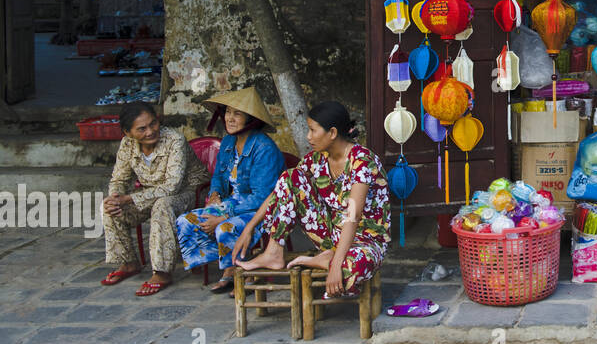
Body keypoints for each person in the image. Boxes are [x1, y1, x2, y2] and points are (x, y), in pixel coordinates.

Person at [234, 102, 390, 298]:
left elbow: (354, 215)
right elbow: (281, 191)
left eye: (312, 130)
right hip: (330, 236)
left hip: (364, 242)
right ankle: (274, 251)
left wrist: (335, 265)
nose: (308, 136)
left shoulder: (362, 161)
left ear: (332, 133)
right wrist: (249, 228)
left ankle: (329, 259)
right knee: (290, 177)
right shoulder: (316, 159)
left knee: (354, 267)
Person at [176, 88, 284, 294]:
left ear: (251, 119)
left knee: (224, 228)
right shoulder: (228, 142)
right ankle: (230, 266)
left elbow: (262, 196)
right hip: (231, 202)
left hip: (262, 209)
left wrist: (224, 215)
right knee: (185, 221)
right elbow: (218, 176)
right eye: (227, 112)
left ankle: (239, 271)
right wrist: (215, 194)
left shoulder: (264, 149)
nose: (230, 119)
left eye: (237, 114)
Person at [101, 103, 207, 296]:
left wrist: (129, 199)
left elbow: (172, 186)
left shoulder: (174, 139)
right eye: (142, 129)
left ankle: (162, 271)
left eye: (153, 124)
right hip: (149, 195)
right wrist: (115, 197)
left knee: (162, 204)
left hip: (189, 193)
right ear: (127, 132)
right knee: (108, 206)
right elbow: (119, 179)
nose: (150, 131)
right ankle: (128, 262)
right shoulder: (127, 145)